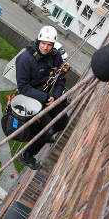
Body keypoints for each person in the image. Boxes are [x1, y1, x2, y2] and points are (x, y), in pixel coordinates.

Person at [15, 26, 69, 170]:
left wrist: (56, 96)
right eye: (43, 43)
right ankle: (27, 156)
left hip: (47, 97)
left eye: (49, 44)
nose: (45, 47)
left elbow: (61, 79)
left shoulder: (55, 56)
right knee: (47, 131)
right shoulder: (25, 59)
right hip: (30, 97)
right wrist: (45, 97)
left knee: (63, 121)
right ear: (38, 41)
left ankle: (45, 137)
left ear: (53, 45)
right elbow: (23, 87)